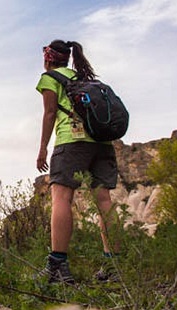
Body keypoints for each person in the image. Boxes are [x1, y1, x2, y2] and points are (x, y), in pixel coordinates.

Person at [36, 40, 120, 284]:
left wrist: (42, 147)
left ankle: (58, 267)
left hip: (71, 142)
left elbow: (50, 113)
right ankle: (114, 267)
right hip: (102, 143)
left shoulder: (50, 78)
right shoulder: (85, 78)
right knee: (104, 201)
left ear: (49, 58)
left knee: (62, 198)